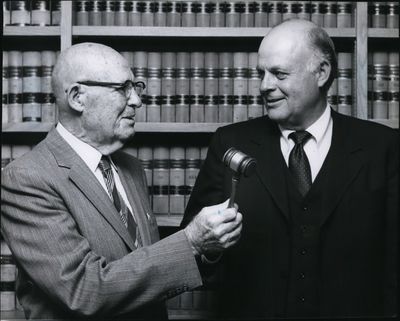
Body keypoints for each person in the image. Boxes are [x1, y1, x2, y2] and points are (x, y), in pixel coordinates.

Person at [0, 42, 243, 320]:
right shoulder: (27, 178)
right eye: (122, 89)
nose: (137, 101)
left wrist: (207, 247)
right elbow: (84, 290)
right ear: (78, 98)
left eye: (136, 87)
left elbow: (147, 272)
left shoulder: (131, 168)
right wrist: (190, 241)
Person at [182, 19, 398, 319]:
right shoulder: (230, 142)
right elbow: (193, 253)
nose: (264, 86)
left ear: (321, 73)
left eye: (279, 74)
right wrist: (211, 249)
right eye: (262, 74)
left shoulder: (383, 147)